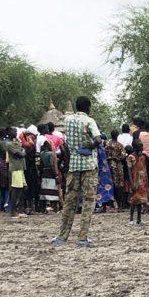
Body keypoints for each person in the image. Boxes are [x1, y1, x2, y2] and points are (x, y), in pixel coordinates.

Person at [51, 95, 102, 246]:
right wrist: (88, 147)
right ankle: (82, 237)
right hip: (89, 165)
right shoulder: (89, 121)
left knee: (70, 201)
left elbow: (66, 145)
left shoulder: (67, 120)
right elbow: (98, 140)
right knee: (88, 201)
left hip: (74, 165)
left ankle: (62, 236)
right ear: (88, 107)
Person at [128, 138, 149, 226]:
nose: (141, 147)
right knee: (134, 200)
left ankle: (139, 219)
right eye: (140, 145)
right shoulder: (131, 157)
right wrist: (131, 182)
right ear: (135, 147)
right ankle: (131, 219)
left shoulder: (143, 156)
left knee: (140, 201)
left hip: (142, 180)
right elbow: (129, 170)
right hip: (135, 180)